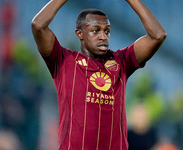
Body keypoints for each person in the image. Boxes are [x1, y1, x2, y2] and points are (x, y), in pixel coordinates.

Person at [31, 0, 166, 149]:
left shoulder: (121, 61)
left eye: (107, 31)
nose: (103, 36)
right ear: (80, 34)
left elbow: (158, 35)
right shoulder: (63, 60)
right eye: (96, 31)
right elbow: (38, 25)